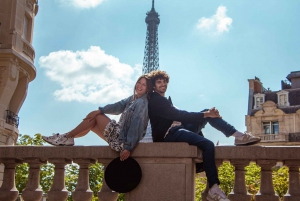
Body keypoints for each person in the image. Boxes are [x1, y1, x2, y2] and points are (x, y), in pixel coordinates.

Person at [147, 70, 260, 201]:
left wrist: (207, 114)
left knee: (207, 113)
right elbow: (180, 115)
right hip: (169, 135)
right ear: (154, 86)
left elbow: (182, 117)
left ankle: (238, 135)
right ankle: (213, 189)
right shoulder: (156, 100)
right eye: (159, 82)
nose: (163, 84)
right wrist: (206, 114)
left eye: (165, 81)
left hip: (179, 128)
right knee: (207, 144)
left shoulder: (164, 100)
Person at [42, 74, 152, 161]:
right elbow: (117, 106)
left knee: (98, 116)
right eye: (139, 82)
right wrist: (100, 110)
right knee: (93, 124)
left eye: (144, 85)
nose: (139, 86)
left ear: (148, 89)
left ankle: (67, 136)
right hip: (120, 138)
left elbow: (136, 126)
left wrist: (128, 148)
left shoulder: (142, 103)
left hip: (123, 141)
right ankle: (68, 138)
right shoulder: (133, 98)